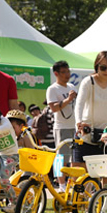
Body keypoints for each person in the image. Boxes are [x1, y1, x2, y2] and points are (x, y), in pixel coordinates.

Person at [74, 50, 107, 167]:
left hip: (105, 135)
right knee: (79, 176)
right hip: (86, 132)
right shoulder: (88, 82)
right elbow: (79, 104)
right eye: (103, 67)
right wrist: (79, 123)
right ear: (96, 66)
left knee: (106, 177)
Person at [47, 60, 78, 191]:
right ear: (56, 74)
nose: (67, 74)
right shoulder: (52, 89)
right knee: (61, 157)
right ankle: (61, 185)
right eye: (64, 72)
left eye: (68, 71)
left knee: (74, 157)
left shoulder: (72, 86)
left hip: (74, 126)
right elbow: (54, 108)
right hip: (61, 126)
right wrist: (68, 100)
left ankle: (73, 184)